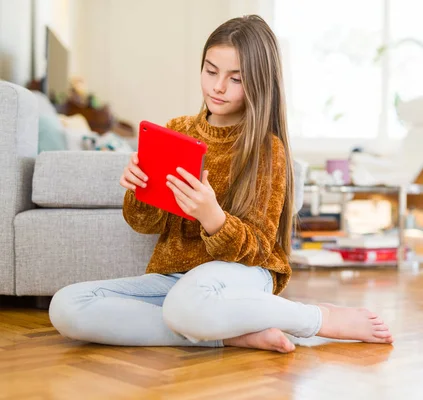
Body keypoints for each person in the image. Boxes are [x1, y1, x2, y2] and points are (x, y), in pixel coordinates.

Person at [49, 15, 393, 353]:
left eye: (235, 78)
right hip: (175, 280)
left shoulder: (266, 149)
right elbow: (143, 224)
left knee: (185, 306)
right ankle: (228, 334)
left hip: (242, 274)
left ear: (259, 82)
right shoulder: (178, 130)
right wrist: (138, 190)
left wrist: (211, 216)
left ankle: (318, 318)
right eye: (210, 71)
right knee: (67, 306)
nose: (217, 86)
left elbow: (260, 248)